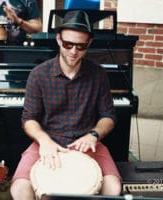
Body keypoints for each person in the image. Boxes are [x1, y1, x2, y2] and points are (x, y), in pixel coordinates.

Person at [10, 10, 122, 200]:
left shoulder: (98, 74)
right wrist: (44, 140)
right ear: (59, 40)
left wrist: (93, 135)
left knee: (113, 188)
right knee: (20, 189)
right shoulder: (38, 74)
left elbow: (108, 116)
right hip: (48, 141)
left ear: (89, 44)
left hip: (87, 143)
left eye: (81, 46)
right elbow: (29, 119)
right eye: (68, 44)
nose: (73, 51)